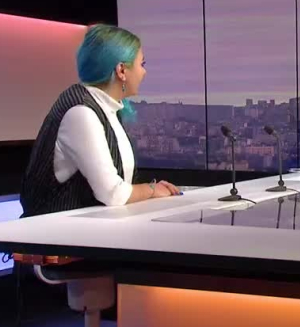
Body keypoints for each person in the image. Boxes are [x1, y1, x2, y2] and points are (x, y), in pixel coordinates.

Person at [20, 24, 180, 217]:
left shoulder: (107, 108)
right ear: (121, 70)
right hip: (53, 231)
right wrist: (152, 190)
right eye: (141, 64)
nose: (144, 72)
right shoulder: (81, 112)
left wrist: (151, 189)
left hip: (88, 227)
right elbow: (113, 193)